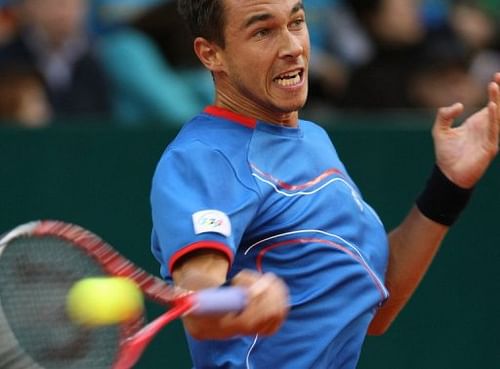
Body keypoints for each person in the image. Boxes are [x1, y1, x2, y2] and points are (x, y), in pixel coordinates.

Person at [149, 1, 499, 368]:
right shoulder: (203, 157)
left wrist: (449, 185)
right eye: (263, 31)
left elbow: (377, 301)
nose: (293, 46)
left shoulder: (313, 140)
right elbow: (199, 298)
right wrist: (238, 300)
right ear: (211, 54)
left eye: (296, 22)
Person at [0, 0, 111, 119]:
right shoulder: (8, 58)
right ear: (29, 6)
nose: (61, 13)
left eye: (69, 4)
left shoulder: (97, 58)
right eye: (52, 3)